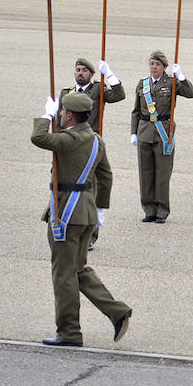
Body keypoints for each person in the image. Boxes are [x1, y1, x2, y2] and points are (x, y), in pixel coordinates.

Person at [31, 92, 132, 346]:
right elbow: (106, 175)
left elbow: (39, 137)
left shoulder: (70, 138)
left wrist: (46, 115)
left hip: (66, 212)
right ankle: (117, 311)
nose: (61, 114)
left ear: (70, 115)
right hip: (86, 213)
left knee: (63, 275)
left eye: (63, 111)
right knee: (78, 270)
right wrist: (100, 207)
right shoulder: (96, 140)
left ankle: (69, 332)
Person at [58, 58, 125, 251]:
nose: (80, 73)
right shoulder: (66, 93)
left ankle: (90, 237)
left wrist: (110, 74)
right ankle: (66, 228)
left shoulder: (97, 90)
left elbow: (119, 95)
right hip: (70, 146)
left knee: (90, 190)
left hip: (90, 146)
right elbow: (58, 122)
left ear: (92, 74)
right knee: (68, 187)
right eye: (78, 70)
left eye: (84, 71)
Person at [130, 51, 193, 223]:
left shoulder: (172, 83)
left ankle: (162, 210)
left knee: (162, 173)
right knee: (145, 173)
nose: (154, 67)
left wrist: (181, 77)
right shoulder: (142, 84)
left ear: (164, 67)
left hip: (164, 133)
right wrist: (133, 132)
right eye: (151, 63)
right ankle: (149, 209)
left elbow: (191, 93)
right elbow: (136, 111)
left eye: (157, 64)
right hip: (144, 131)